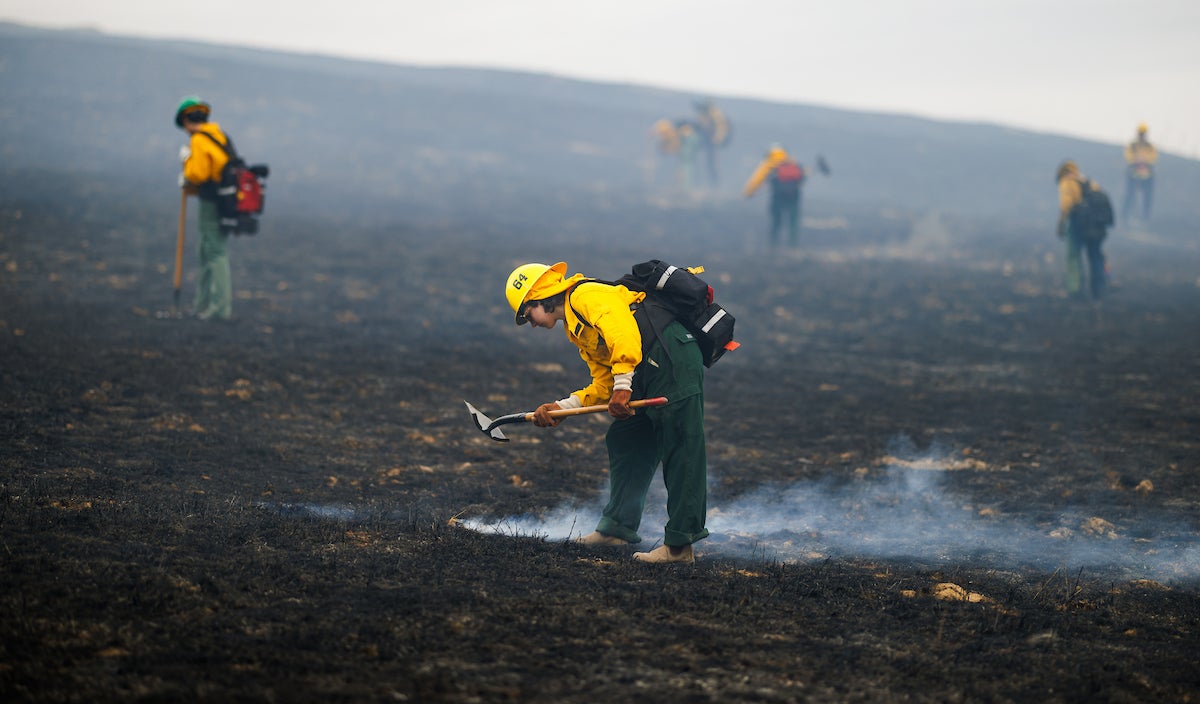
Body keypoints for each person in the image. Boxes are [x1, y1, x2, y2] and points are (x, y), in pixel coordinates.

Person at [504, 261, 709, 564]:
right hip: (644, 367)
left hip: (671, 359)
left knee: (681, 445)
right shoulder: (575, 325)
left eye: (526, 314)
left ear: (540, 298)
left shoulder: (585, 295)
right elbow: (603, 382)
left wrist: (623, 387)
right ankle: (617, 528)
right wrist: (562, 408)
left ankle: (680, 546)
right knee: (626, 438)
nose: (529, 323)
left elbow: (622, 332)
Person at [175, 96, 233, 321]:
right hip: (224, 201)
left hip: (212, 202)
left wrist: (187, 163)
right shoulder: (219, 134)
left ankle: (218, 309)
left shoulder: (199, 140)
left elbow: (198, 174)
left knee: (214, 252)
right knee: (208, 250)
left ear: (187, 121)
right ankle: (203, 305)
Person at [1056, 160, 1108, 300]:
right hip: (1096, 226)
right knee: (1096, 256)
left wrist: (1061, 225)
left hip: (1077, 223)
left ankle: (1076, 289)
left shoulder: (1067, 183)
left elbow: (1066, 205)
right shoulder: (1088, 182)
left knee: (1074, 256)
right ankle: (1099, 289)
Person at [742, 144, 805, 247]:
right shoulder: (793, 163)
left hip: (778, 197)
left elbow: (757, 179)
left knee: (776, 222)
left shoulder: (771, 164)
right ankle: (793, 245)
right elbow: (801, 178)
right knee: (793, 222)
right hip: (794, 197)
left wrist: (748, 193)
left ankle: (773, 244)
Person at [1122, 123, 1158, 224]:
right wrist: (1136, 161)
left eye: (1143, 133)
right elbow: (1128, 156)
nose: (1141, 135)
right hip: (1133, 174)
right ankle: (1125, 215)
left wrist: (1145, 161)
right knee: (1129, 195)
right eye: (1140, 133)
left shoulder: (1150, 146)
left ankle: (1145, 217)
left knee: (1147, 197)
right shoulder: (1132, 146)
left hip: (1147, 175)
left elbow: (1153, 158)